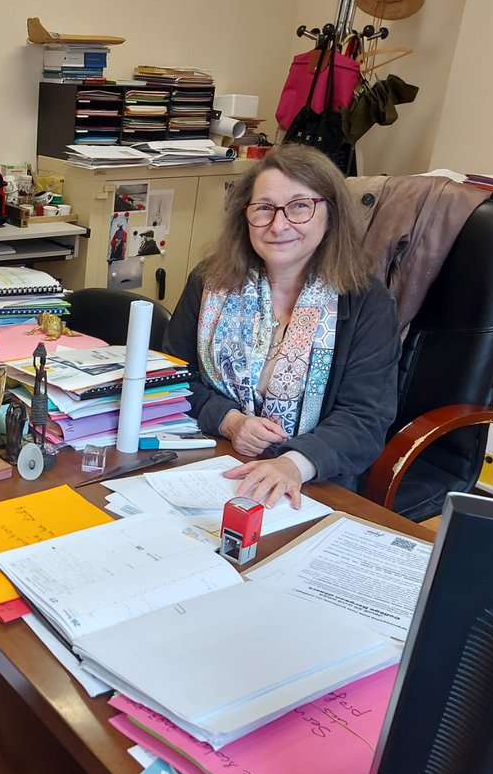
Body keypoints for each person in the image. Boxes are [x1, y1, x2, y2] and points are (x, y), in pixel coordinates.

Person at [163, 145, 399, 508]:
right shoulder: (211, 281)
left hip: (311, 481)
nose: (279, 225)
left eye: (300, 207)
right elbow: (173, 378)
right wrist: (229, 421)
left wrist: (292, 463)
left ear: (330, 213)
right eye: (264, 208)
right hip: (212, 461)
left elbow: (365, 419)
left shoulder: (366, 300)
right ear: (246, 217)